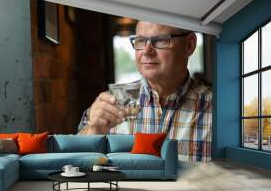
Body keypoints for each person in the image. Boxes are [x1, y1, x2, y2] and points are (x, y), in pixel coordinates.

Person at [77, 21, 212, 162]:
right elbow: (74, 164)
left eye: (160, 40)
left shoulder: (219, 110)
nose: (146, 51)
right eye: (141, 40)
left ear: (189, 45)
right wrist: (93, 131)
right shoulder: (108, 104)